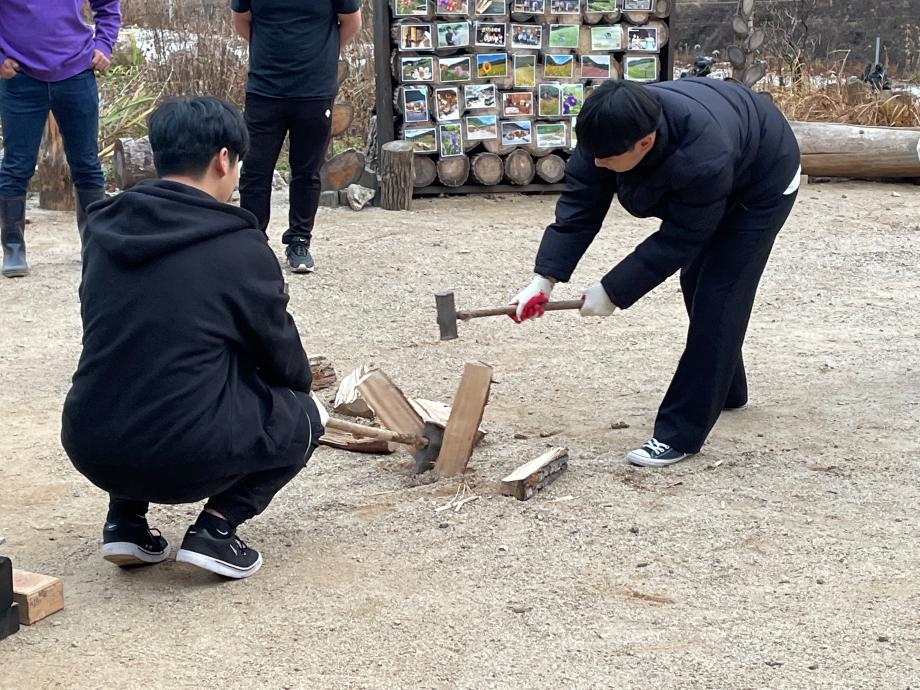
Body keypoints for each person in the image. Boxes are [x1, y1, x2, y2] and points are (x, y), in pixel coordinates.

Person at [61, 97, 325, 580]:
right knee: (308, 416)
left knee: (141, 358)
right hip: (186, 457)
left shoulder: (101, 228)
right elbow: (282, 357)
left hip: (91, 442)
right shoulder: (238, 244)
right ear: (224, 160)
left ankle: (125, 521)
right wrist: (292, 394)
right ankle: (216, 530)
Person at [511, 78, 801, 468]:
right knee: (695, 282)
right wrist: (543, 278)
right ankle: (727, 390)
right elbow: (580, 207)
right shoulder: (606, 134)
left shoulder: (701, 157)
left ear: (645, 142)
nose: (597, 164)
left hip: (763, 178)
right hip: (726, 147)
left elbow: (681, 238)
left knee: (719, 294)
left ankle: (678, 434)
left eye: (606, 158)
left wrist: (612, 291)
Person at [231, 0, 362, 274]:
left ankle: (299, 241)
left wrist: (321, 53)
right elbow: (241, 21)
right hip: (264, 88)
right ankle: (254, 242)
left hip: (315, 90)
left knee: (306, 171)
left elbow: (352, 22)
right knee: (255, 170)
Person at [0, 0, 120, 278]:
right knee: (16, 166)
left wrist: (104, 44)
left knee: (87, 165)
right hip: (19, 77)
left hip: (77, 73)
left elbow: (108, 5)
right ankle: (13, 247)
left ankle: (94, 246)